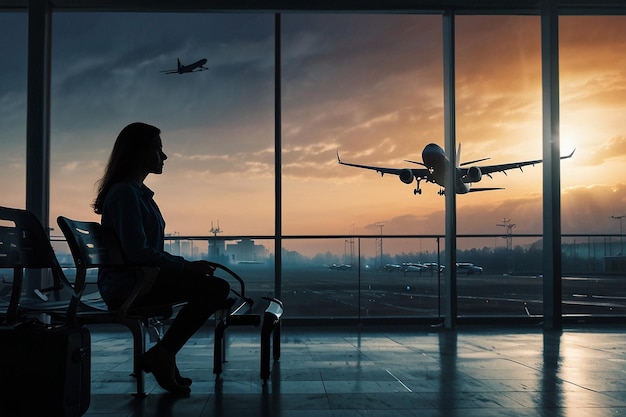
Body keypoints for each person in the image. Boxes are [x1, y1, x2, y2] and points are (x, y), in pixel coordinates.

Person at [92, 122, 230, 395]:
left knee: (210, 287)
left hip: (137, 280)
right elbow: (139, 252)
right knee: (216, 289)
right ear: (140, 153)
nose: (163, 156)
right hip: (131, 286)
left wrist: (184, 267)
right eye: (158, 149)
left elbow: (141, 250)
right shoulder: (126, 194)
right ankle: (163, 354)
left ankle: (165, 354)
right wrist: (186, 266)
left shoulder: (134, 194)